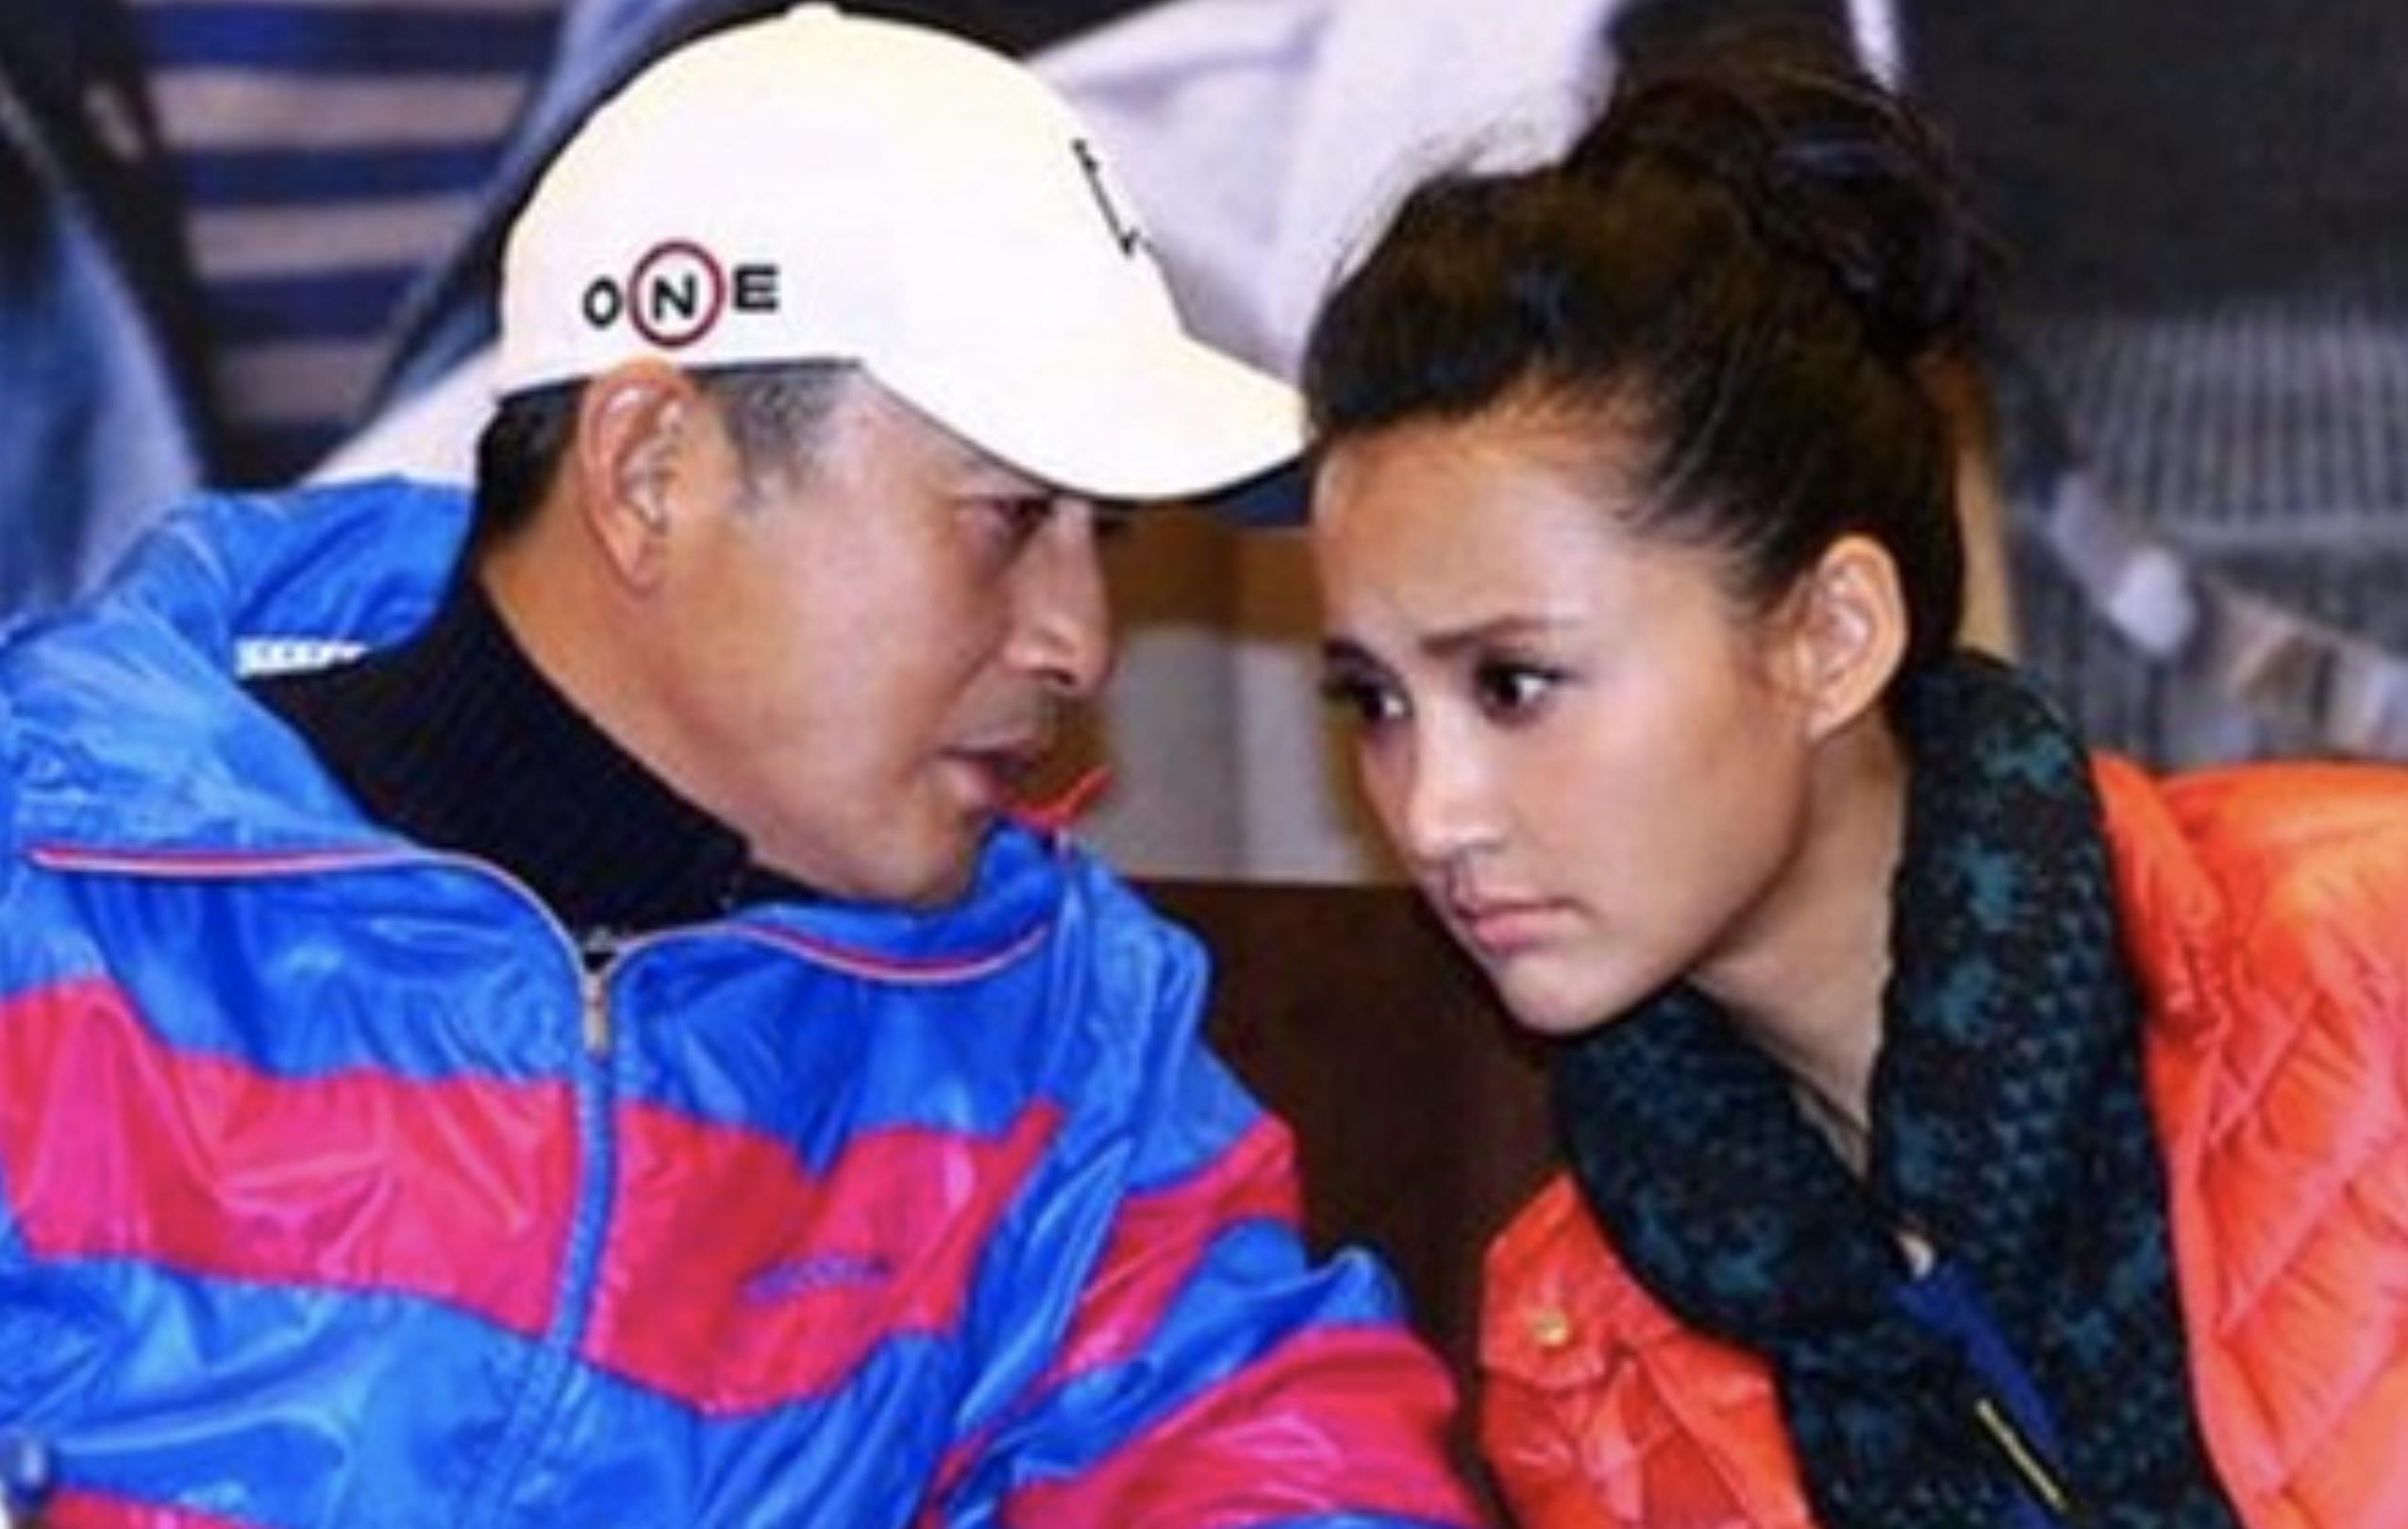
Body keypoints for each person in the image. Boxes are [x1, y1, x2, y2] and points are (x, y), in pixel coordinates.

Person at [0, 9, 1489, 1527]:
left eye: (1098, 537)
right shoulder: (52, 895)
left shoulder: (1050, 1047)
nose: (1080, 643)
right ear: (652, 471)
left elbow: (1279, 1458)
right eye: (1008, 518)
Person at [1300, 28, 2408, 1529]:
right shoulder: (1576, 1347)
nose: (1434, 812)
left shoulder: (2369, 960)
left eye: (1516, 685)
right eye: (1374, 703)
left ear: (1832, 636)